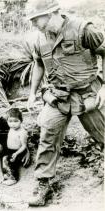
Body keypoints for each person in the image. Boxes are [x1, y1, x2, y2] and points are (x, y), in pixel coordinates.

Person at [25, 0, 105, 206]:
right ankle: (44, 184)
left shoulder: (83, 29)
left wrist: (104, 86)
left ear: (52, 13)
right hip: (57, 96)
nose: (33, 23)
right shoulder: (38, 38)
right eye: (31, 20)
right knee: (48, 135)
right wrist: (32, 93)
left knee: (102, 133)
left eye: (36, 18)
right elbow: (38, 64)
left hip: (87, 93)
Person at [3, 108, 29, 186]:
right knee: (4, 159)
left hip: (19, 151)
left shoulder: (22, 132)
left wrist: (17, 153)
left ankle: (14, 178)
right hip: (10, 150)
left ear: (21, 121)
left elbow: (24, 145)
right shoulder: (11, 129)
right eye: (10, 121)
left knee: (12, 162)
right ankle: (8, 174)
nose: (13, 124)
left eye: (16, 121)